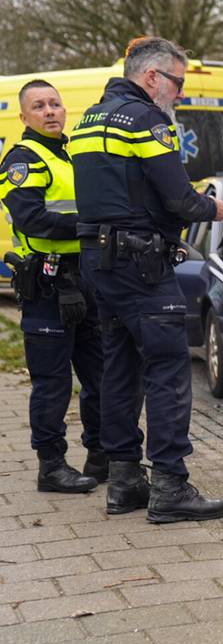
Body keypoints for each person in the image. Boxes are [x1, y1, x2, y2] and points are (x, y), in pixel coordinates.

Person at [70, 37, 223, 521]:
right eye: (177, 83)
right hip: (142, 269)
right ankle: (169, 487)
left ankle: (124, 482)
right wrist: (213, 207)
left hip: (99, 265)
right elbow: (179, 199)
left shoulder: (86, 121)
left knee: (118, 370)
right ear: (151, 77)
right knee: (167, 371)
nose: (178, 94)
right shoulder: (146, 121)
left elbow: (117, 197)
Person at [0, 79, 105, 494]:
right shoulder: (22, 160)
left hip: (87, 278)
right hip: (47, 284)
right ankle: (51, 466)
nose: (50, 111)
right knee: (53, 381)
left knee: (101, 375)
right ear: (24, 116)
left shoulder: (73, 155)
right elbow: (32, 220)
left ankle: (101, 455)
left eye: (55, 104)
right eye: (39, 106)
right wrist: (90, 228)